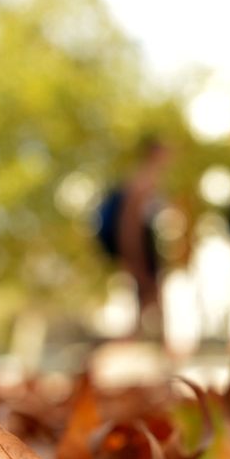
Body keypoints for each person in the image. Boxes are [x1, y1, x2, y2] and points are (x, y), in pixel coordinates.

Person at [97, 136, 172, 335]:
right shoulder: (142, 182)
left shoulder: (149, 181)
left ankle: (153, 342)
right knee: (149, 298)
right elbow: (129, 226)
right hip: (140, 250)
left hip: (144, 248)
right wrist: (134, 258)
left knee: (148, 302)